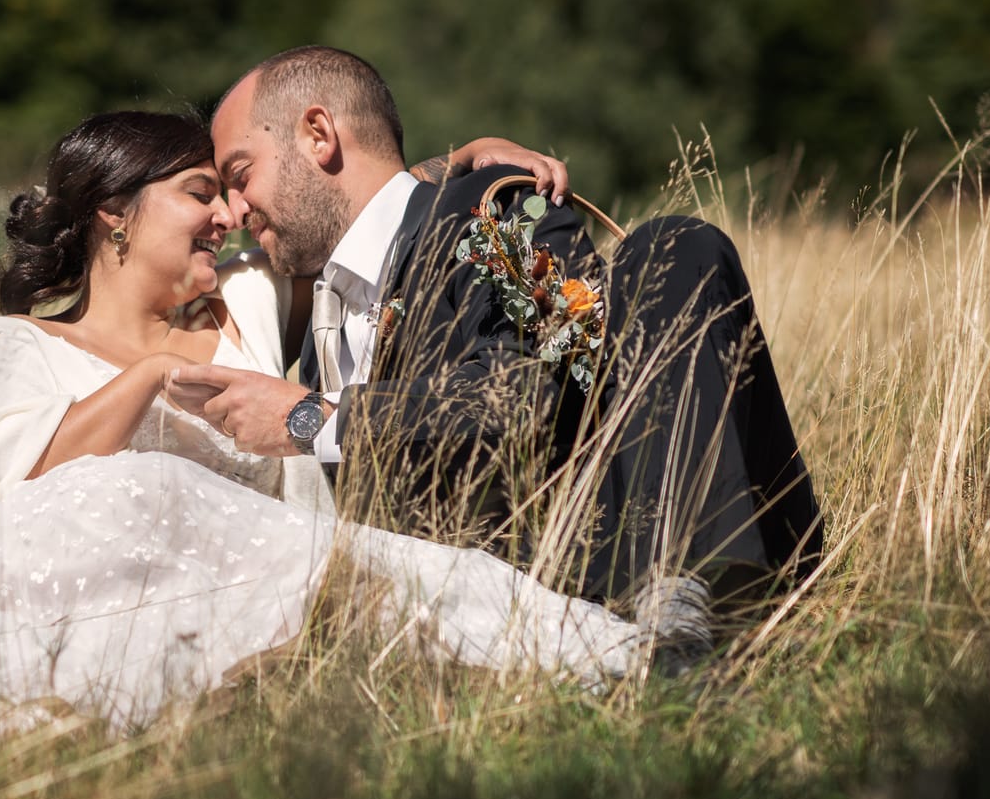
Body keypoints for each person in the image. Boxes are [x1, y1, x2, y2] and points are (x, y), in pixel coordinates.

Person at [0, 112, 648, 731]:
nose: (228, 216)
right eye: (199, 190)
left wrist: (451, 172)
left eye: (226, 196)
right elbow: (20, 488)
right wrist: (144, 376)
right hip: (59, 594)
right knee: (126, 488)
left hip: (262, 583)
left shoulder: (241, 312)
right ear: (113, 211)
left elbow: (329, 219)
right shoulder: (16, 350)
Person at [171, 46, 824, 654]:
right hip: (453, 626)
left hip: (591, 559)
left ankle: (687, 606)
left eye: (239, 174)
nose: (233, 209)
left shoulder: (494, 213)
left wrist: (306, 417)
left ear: (318, 134)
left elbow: (522, 396)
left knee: (672, 248)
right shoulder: (314, 317)